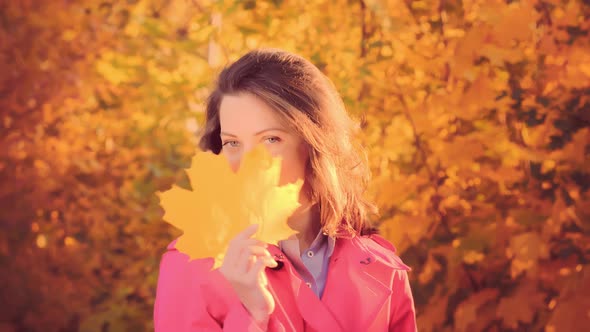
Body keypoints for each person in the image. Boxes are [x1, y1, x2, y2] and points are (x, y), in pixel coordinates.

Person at [154, 49, 417, 331]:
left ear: (316, 145)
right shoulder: (191, 265)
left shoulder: (381, 267)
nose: (247, 163)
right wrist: (254, 315)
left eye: (270, 139)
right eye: (232, 143)